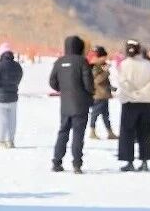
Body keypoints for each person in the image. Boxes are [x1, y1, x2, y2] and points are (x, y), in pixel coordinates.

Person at [49, 35, 94, 173]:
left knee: (63, 132)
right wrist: (89, 94)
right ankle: (76, 164)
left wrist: (63, 89)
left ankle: (57, 162)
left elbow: (52, 82)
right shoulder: (82, 62)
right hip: (81, 103)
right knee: (78, 134)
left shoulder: (59, 62)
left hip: (65, 104)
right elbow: (88, 84)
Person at [117, 39, 150, 171]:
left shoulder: (124, 65)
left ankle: (129, 161)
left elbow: (122, 82)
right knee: (145, 133)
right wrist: (144, 92)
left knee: (127, 133)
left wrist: (132, 93)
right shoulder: (148, 65)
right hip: (145, 103)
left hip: (129, 102)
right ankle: (145, 161)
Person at [0, 42, 23, 148]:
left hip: (0, 98)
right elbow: (18, 78)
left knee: (2, 120)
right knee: (12, 120)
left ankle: (1, 140)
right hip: (13, 97)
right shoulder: (17, 66)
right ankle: (10, 141)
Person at [88, 46, 117, 140]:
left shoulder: (102, 65)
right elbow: (96, 81)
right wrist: (106, 72)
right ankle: (92, 132)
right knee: (95, 114)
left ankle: (110, 132)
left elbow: (105, 82)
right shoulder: (95, 67)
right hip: (98, 95)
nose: (106, 59)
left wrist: (111, 88)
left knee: (106, 115)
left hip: (104, 95)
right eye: (104, 57)